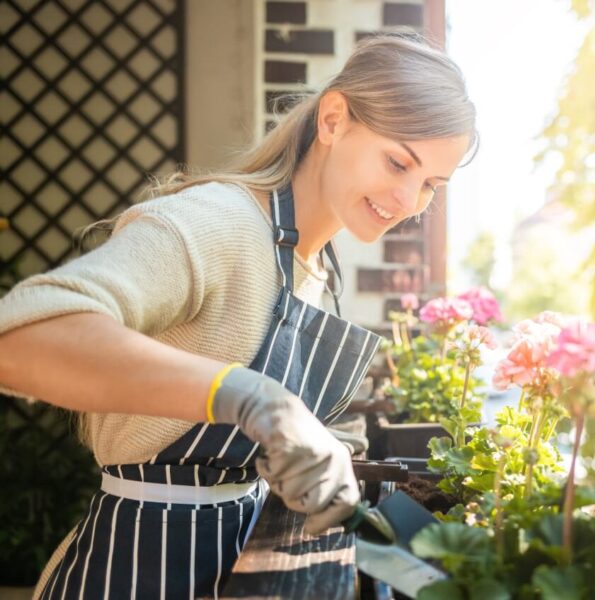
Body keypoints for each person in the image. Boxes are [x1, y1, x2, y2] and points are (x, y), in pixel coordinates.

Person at [0, 34, 476, 599]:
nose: (407, 201)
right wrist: (253, 400)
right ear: (332, 120)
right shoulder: (217, 222)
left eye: (430, 186)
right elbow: (19, 337)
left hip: (236, 562)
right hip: (136, 571)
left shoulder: (316, 264)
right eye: (398, 162)